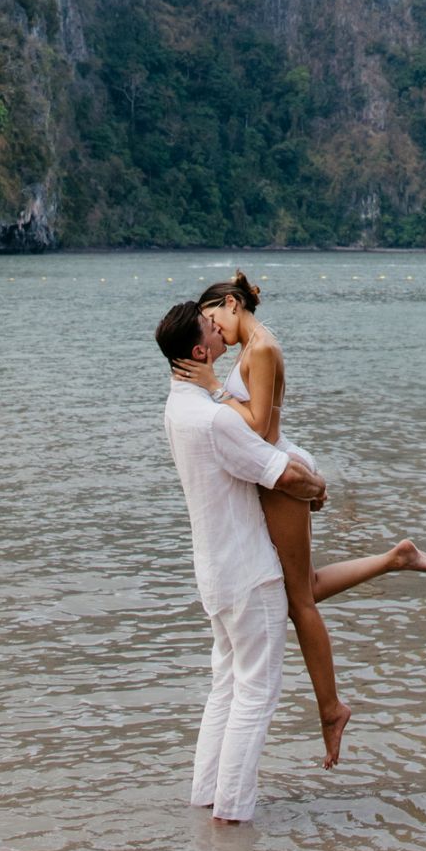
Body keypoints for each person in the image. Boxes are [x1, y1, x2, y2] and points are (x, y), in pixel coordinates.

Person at [194, 272, 426, 768]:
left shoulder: (262, 348)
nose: (211, 332)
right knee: (301, 588)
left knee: (300, 601)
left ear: (230, 304)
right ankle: (396, 558)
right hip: (276, 473)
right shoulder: (251, 349)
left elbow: (262, 429)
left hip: (280, 475)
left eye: (211, 320)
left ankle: (331, 708)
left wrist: (212, 391)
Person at [156, 296, 327, 824]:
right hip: (249, 575)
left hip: (213, 574)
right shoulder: (214, 422)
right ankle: (231, 817)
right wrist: (320, 488)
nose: (219, 331)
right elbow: (285, 474)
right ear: (199, 351)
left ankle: (206, 798)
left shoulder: (177, 410)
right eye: (211, 328)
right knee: (256, 694)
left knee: (226, 688)